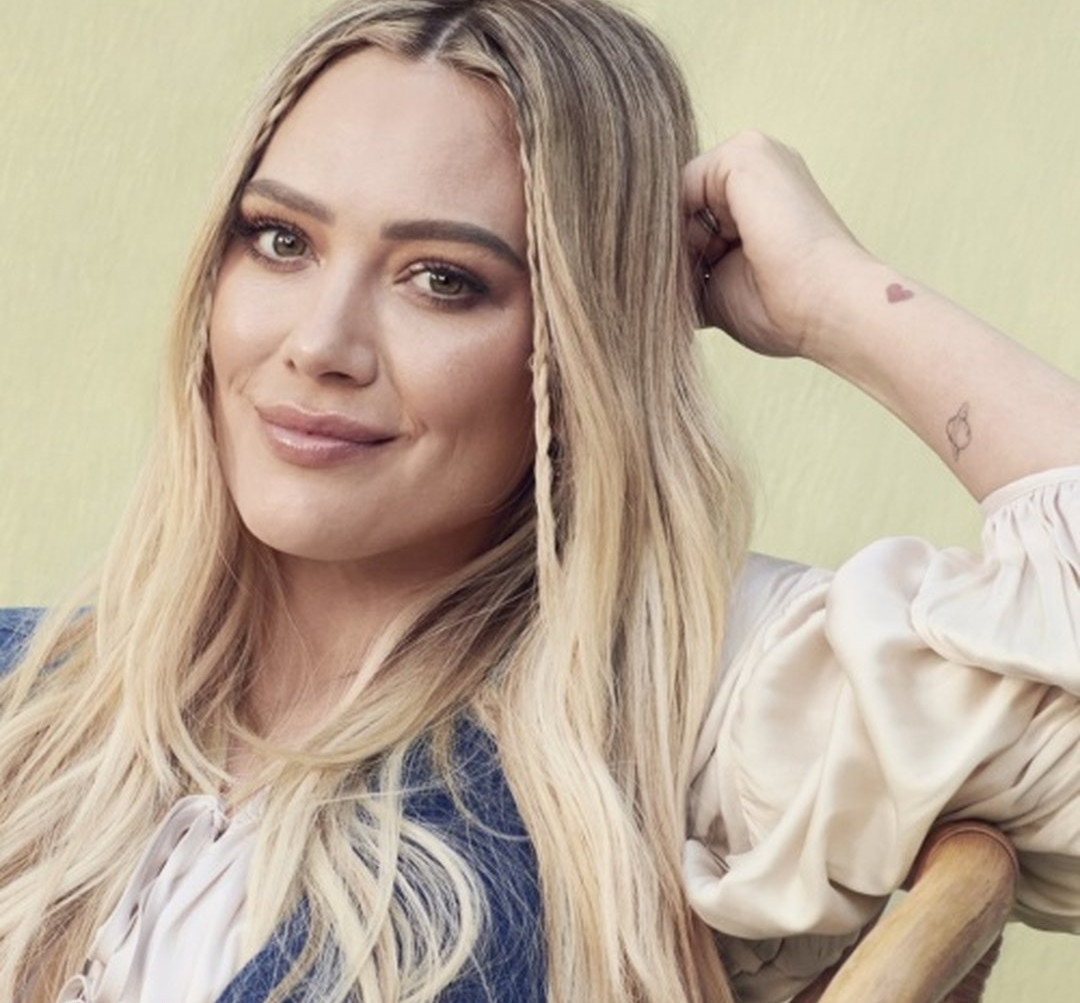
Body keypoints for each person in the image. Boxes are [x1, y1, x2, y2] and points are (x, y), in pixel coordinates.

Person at [1, 0, 1078, 1001]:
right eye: (282, 240)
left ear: (574, 348)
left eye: (443, 279)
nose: (320, 344)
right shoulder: (30, 699)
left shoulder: (676, 710)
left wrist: (836, 298)